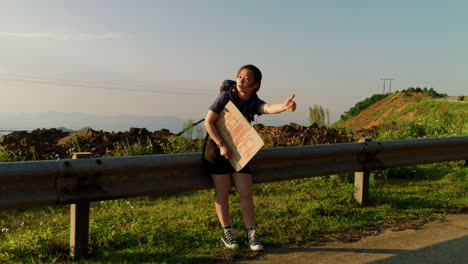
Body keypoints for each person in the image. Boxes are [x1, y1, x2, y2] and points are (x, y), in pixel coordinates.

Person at [203, 64, 296, 251]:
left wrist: (284, 107)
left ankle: (251, 233)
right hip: (217, 148)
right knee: (223, 192)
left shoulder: (253, 101)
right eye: (239, 76)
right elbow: (209, 122)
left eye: (246, 78)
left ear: (256, 84)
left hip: (239, 149)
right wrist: (221, 145)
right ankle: (227, 232)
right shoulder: (225, 97)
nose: (241, 80)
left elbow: (267, 108)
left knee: (246, 192)